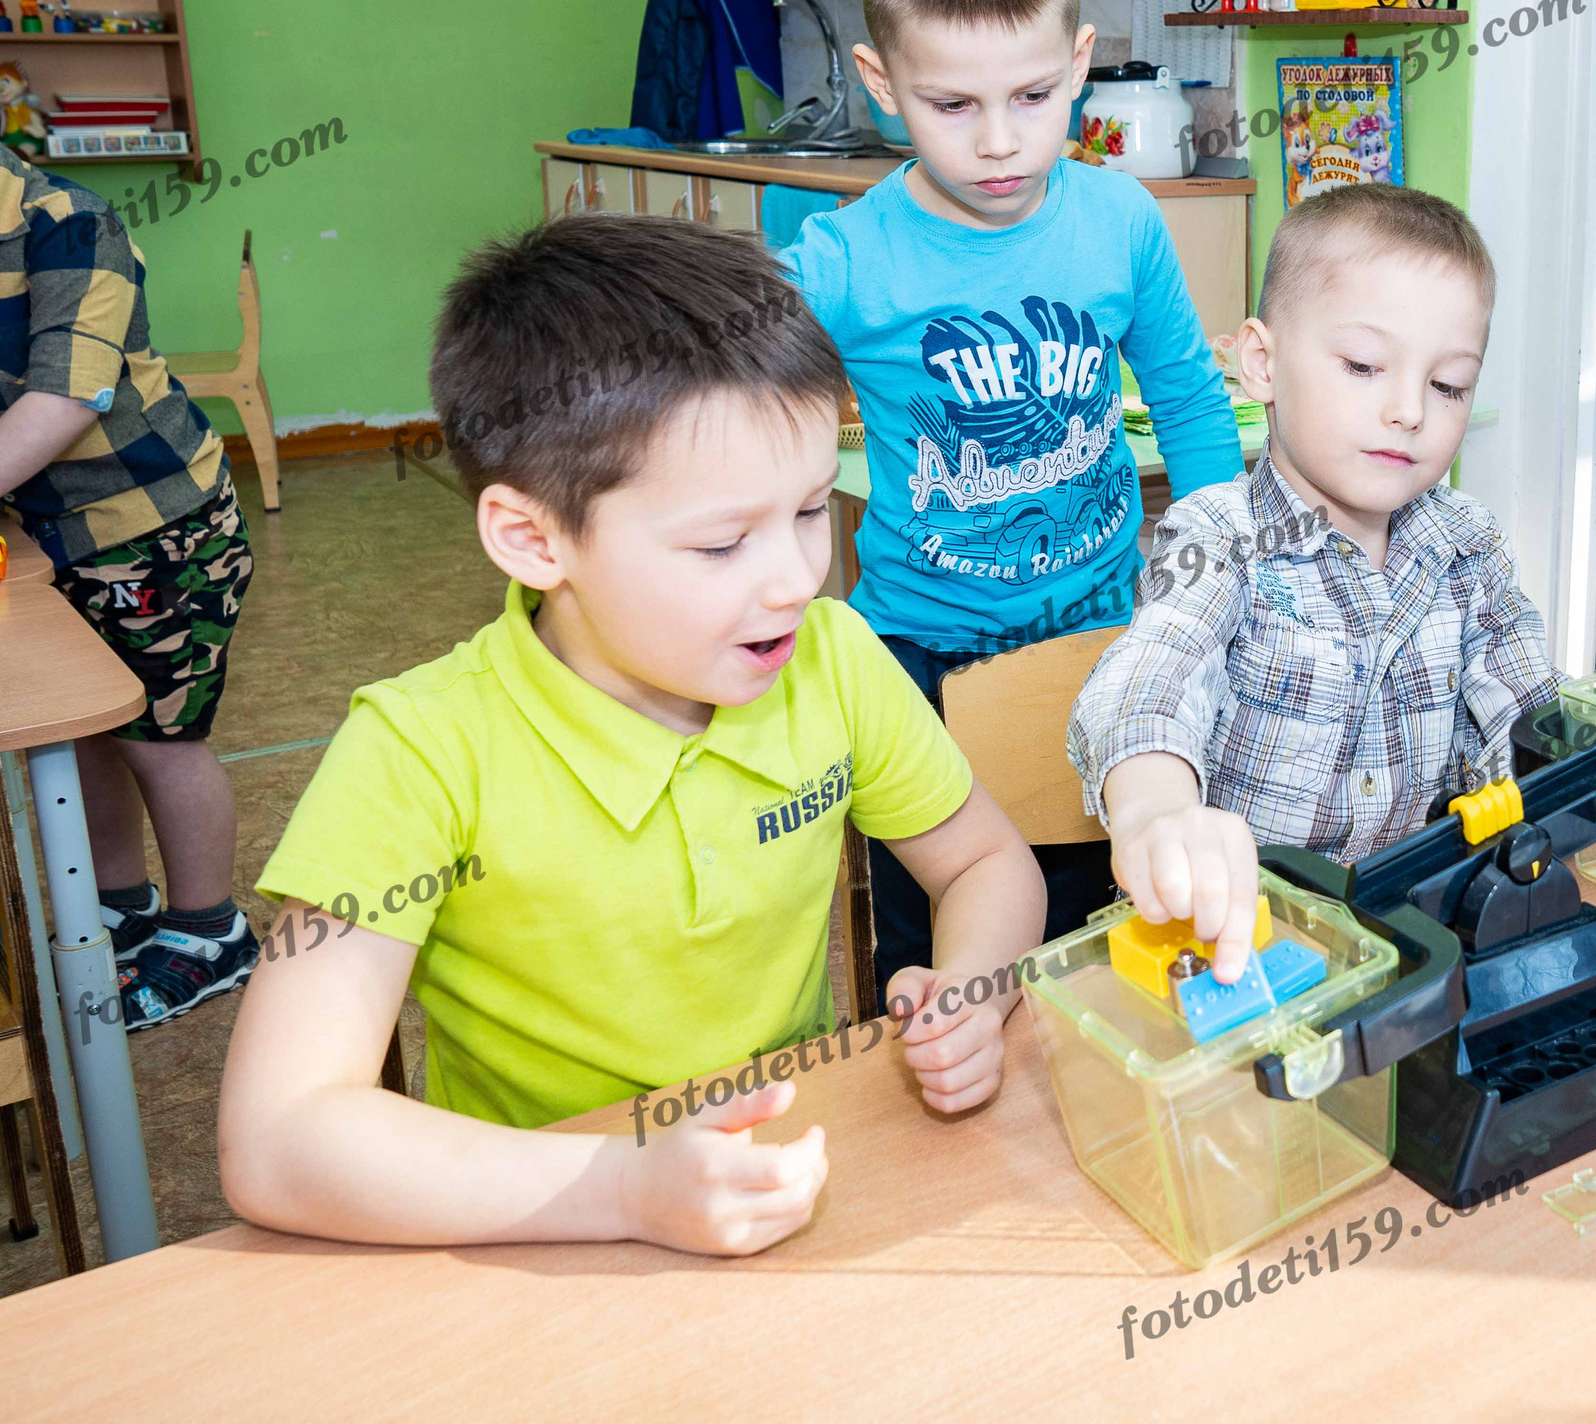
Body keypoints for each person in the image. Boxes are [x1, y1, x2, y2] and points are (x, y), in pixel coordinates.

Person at [219, 217, 1045, 1256]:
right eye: (721, 542)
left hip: (788, 1187)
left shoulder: (830, 659)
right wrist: (624, 1190)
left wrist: (975, 988)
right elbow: (277, 1137)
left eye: (806, 512)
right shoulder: (418, 750)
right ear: (532, 538)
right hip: (534, 1232)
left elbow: (981, 860)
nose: (798, 579)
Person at [779, 0, 1241, 1001]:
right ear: (883, 83)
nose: (999, 143)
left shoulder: (1121, 222)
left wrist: (1217, 567)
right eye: (952, 104)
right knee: (942, 967)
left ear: (1078, 61)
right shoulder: (846, 262)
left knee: (1095, 951)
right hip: (917, 665)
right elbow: (714, 386)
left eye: (1033, 97)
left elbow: (1185, 398)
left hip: (1094, 650)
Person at [1066, 183, 1560, 980]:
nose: (1408, 409)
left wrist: (1585, 762)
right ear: (1261, 362)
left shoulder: (1464, 544)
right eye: (1365, 366)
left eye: (1448, 385)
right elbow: (1148, 682)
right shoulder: (1221, 538)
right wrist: (1159, 810)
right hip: (1230, 957)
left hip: (1407, 954)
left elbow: (1533, 720)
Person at [0, 142, 255, 1028]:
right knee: (93, 730)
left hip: (157, 530)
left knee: (161, 738)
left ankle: (209, 932)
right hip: (49, 533)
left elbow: (65, 400)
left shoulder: (68, 225)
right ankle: (124, 901)